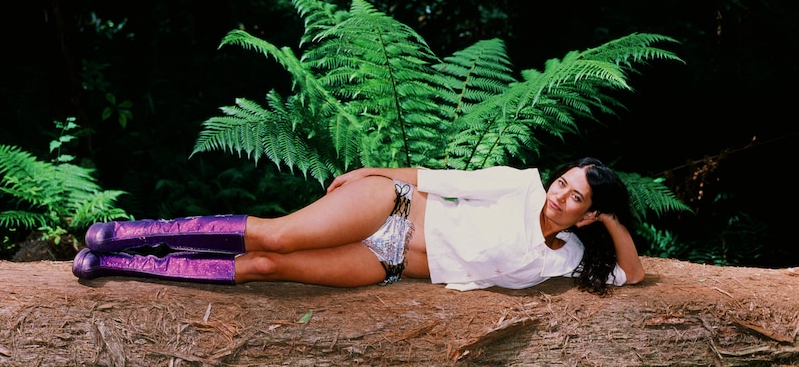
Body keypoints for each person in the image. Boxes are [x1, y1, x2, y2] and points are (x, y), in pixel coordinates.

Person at [73, 157, 645, 295]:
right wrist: (375, 173)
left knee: (267, 266)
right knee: (276, 235)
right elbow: (437, 176)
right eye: (563, 183)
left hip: (389, 264)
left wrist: (615, 221)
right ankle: (128, 233)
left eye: (577, 198)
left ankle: (121, 263)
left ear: (589, 215)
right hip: (391, 208)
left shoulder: (566, 256)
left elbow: (633, 275)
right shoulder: (519, 183)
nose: (560, 196)